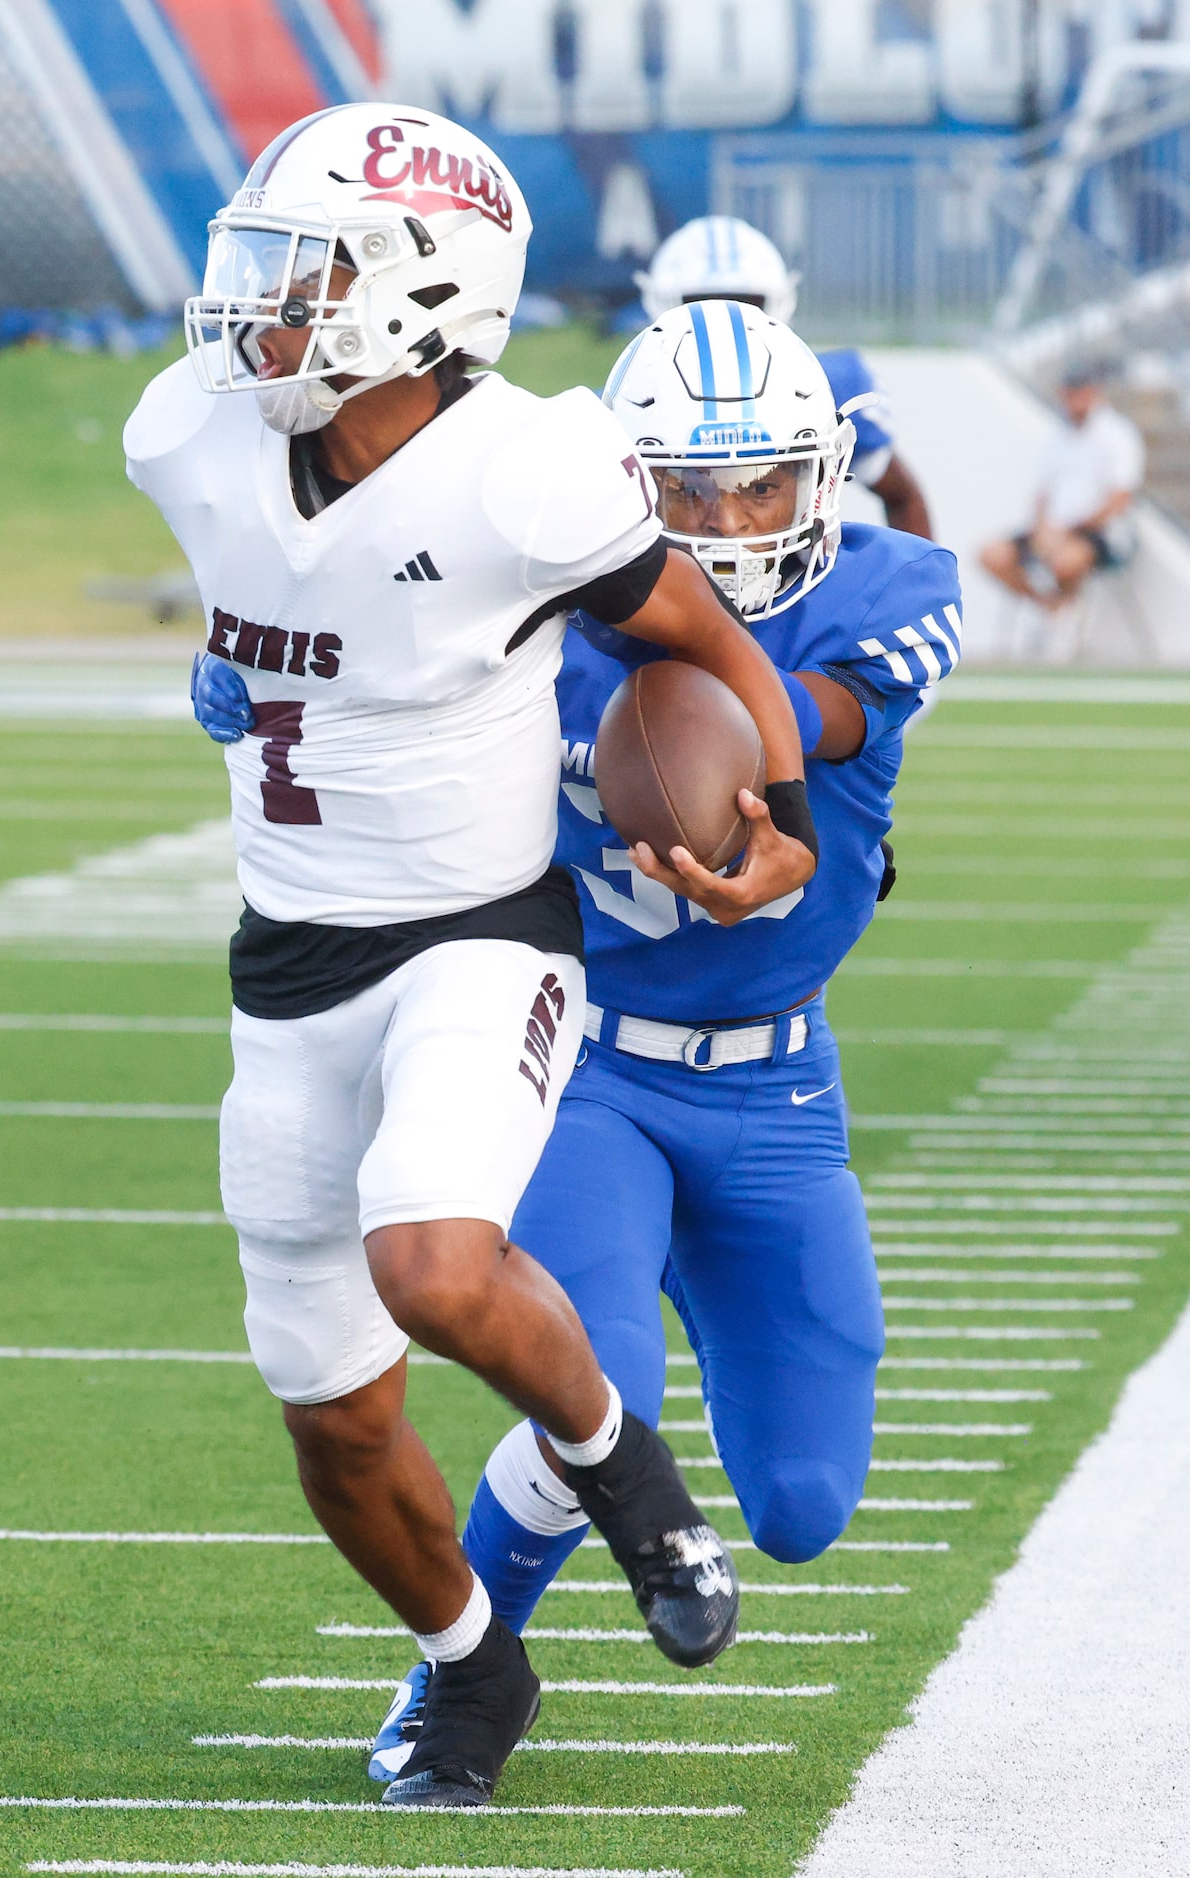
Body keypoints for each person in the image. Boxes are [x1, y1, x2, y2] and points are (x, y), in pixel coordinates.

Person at [125, 107, 817, 1810]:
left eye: (303, 276)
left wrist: (780, 803)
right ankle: (469, 1664)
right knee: (336, 1426)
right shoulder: (190, 435)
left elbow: (695, 627)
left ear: (420, 295)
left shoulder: (526, 468)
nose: (254, 313)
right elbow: (288, 589)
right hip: (286, 957)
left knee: (434, 1263)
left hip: (480, 933)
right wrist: (234, 665)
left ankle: (620, 1465)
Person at [369, 297, 962, 1783]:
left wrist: (730, 750)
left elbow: (803, 710)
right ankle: (457, 1682)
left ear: (822, 475)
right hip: (592, 1067)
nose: (724, 516)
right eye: (685, 487)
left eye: (759, 479)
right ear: (627, 487)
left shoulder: (887, 591)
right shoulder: (529, 607)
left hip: (778, 1085)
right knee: (596, 1401)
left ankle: (698, 1269)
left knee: (807, 1503)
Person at [636, 215, 933, 541]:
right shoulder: (631, 404)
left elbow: (902, 496)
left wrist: (918, 585)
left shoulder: (823, 390)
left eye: (745, 304)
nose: (724, 321)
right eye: (700, 305)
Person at [980, 364, 1144, 612]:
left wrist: (1071, 529)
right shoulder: (1057, 434)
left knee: (1065, 561)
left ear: (1094, 392)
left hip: (1099, 532)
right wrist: (1041, 530)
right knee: (991, 555)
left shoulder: (1117, 433)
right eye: (1070, 392)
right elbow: (1044, 494)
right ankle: (1051, 609)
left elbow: (1120, 498)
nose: (1074, 398)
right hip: (1054, 530)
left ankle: (1063, 609)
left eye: (1080, 391)